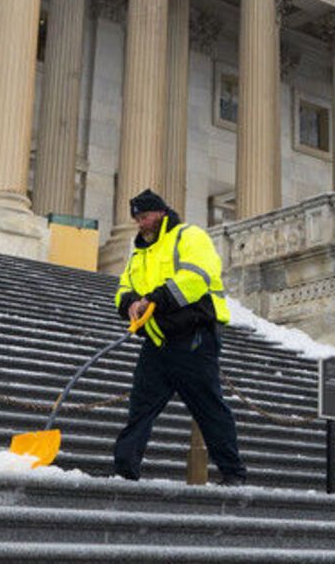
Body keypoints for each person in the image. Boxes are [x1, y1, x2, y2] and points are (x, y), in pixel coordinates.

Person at [112, 189, 247, 485]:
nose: (140, 223)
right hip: (157, 343)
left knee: (209, 408)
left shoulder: (189, 236)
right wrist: (130, 303)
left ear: (160, 213)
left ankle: (233, 473)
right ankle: (124, 470)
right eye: (136, 218)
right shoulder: (139, 253)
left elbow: (197, 277)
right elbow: (123, 288)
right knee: (140, 408)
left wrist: (154, 300)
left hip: (193, 340)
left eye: (144, 217)